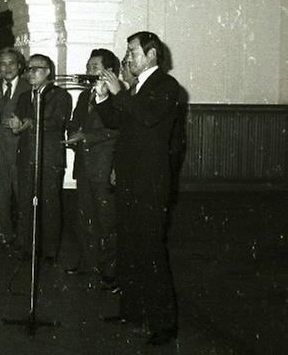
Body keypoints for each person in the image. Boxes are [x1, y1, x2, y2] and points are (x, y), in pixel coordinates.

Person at [95, 31, 180, 347]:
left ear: (152, 54)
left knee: (150, 251)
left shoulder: (167, 87)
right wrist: (104, 96)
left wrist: (119, 92)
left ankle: (164, 324)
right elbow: (117, 122)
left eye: (132, 51)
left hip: (150, 183)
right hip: (130, 179)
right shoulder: (137, 88)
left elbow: (146, 118)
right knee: (129, 248)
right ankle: (131, 311)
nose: (127, 56)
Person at [63, 49, 120, 288]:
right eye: (88, 67)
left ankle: (110, 269)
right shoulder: (84, 96)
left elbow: (116, 130)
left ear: (110, 71)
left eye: (94, 67)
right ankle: (88, 262)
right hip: (84, 166)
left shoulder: (120, 96)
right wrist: (72, 132)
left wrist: (85, 136)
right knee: (84, 216)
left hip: (104, 166)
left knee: (107, 220)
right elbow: (75, 122)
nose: (89, 72)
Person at [11, 54, 72, 265]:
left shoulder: (60, 95)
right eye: (28, 69)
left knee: (49, 205)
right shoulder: (24, 95)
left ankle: (49, 252)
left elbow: (54, 122)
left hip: (49, 158)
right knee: (25, 204)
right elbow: (18, 122)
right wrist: (15, 125)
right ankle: (27, 248)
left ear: (48, 71)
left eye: (36, 68)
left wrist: (27, 122)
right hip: (26, 157)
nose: (30, 72)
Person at [0, 47, 31, 248]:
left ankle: (24, 238)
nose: (7, 68)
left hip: (19, 149)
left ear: (20, 66)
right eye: (2, 64)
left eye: (11, 63)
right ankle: (4, 233)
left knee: (22, 195)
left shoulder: (28, 87)